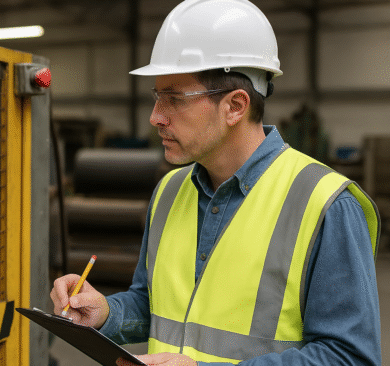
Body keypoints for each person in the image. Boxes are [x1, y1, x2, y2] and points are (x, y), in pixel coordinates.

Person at [50, 0, 382, 365]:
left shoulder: (325, 204)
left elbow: (348, 357)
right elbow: (153, 304)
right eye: (157, 97)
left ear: (236, 106)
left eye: (173, 99)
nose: (155, 117)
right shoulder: (170, 191)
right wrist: (107, 314)